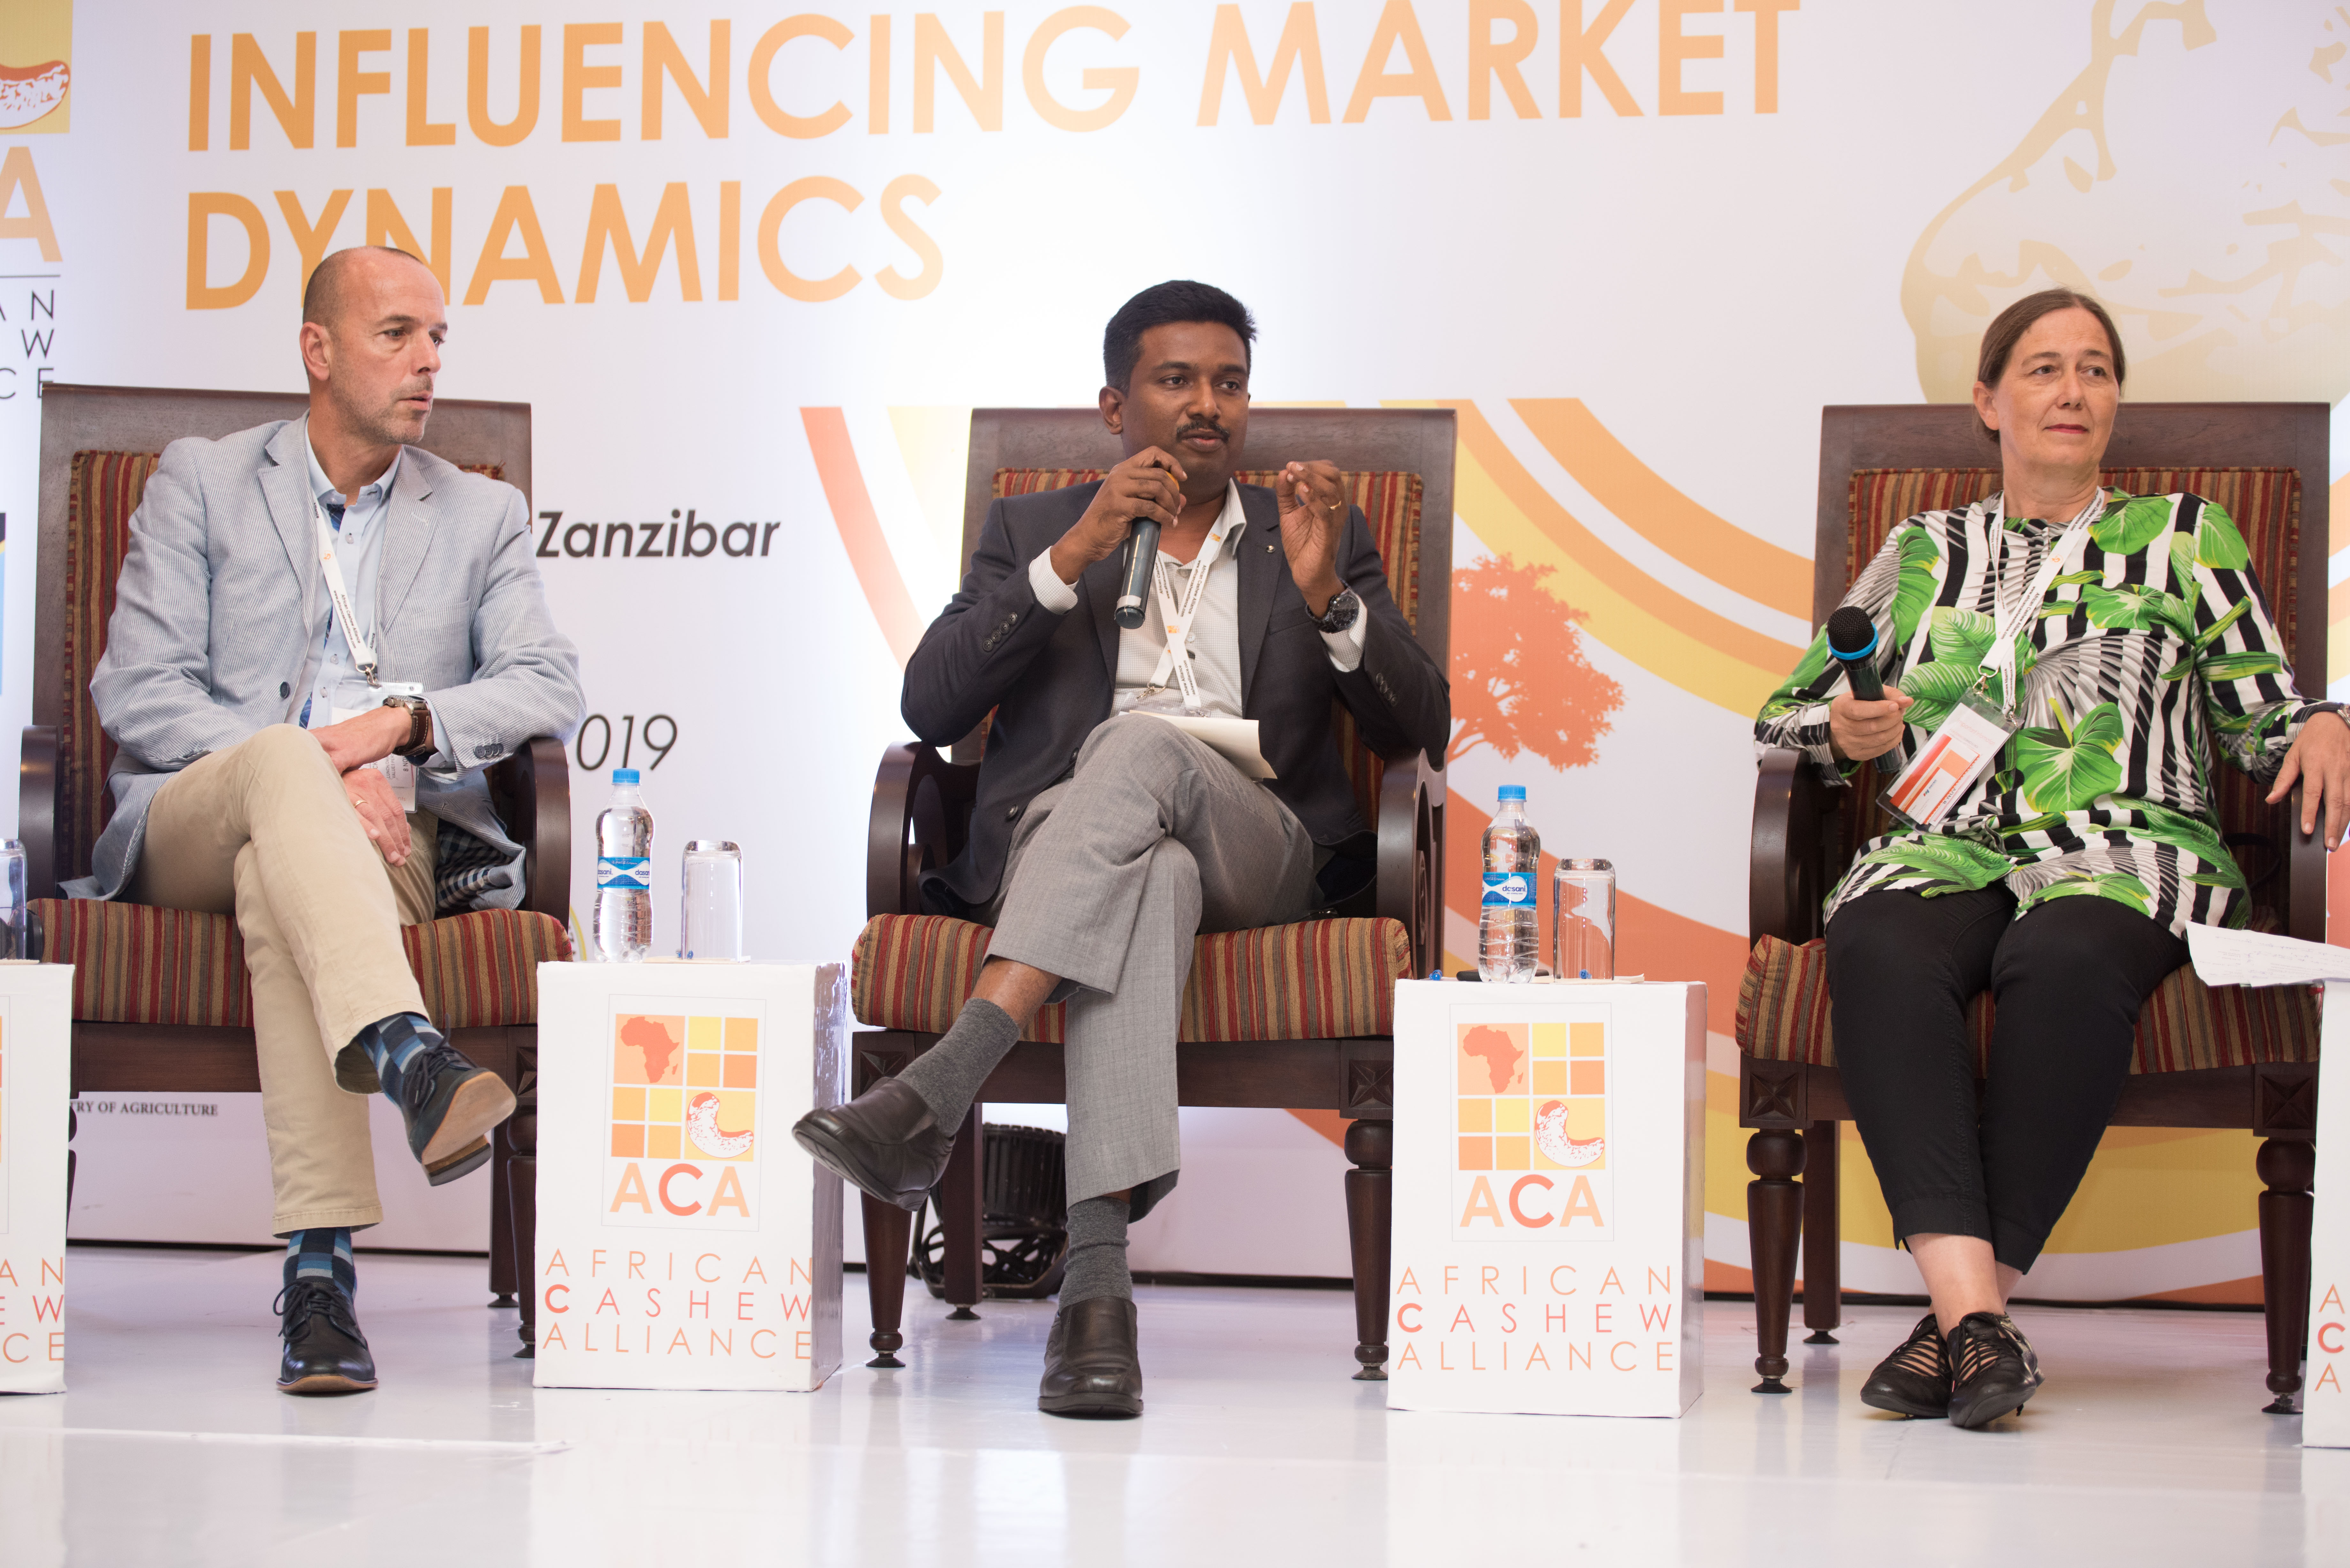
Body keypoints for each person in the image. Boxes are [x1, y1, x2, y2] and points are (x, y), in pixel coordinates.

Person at [794, 280, 1449, 1417]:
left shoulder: (1314, 532)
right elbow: (930, 706)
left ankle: (940, 1086)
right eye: (1176, 380)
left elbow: (1421, 727)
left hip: (1263, 850)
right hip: (1082, 846)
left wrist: (1326, 598)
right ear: (1115, 406)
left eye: (1230, 383)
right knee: (1153, 874)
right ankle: (1097, 1299)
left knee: (1147, 748)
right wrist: (1073, 556)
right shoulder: (1035, 528)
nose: (1209, 405)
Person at [1755, 288, 2350, 1429]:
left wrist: (2327, 721)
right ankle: (1979, 1326)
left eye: (2095, 369)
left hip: (2123, 851)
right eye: (2043, 368)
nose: (2072, 390)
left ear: (2114, 400)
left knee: (2062, 957)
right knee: (1876, 938)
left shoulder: (2185, 537)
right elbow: (1787, 713)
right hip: (1946, 845)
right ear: (1989, 401)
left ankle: (1957, 1324)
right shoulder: (1923, 550)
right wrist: (1846, 729)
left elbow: (2263, 720)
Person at [79, 245, 584, 1395]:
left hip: (383, 839)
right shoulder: (203, 481)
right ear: (317, 350)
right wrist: (310, 763)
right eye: (397, 334)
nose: (429, 361)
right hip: (195, 815)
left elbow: (547, 682)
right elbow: (139, 689)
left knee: (282, 881)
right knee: (276, 780)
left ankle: (322, 1276)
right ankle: (407, 1055)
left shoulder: (482, 513)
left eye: (439, 337)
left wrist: (398, 728)